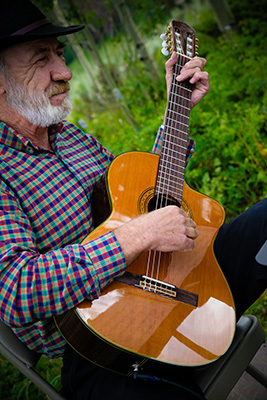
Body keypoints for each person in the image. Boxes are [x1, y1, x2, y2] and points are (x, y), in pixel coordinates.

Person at [0, 1, 266, 399]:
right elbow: (18, 287)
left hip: (180, 279)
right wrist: (133, 238)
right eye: (42, 59)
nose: (65, 71)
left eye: (59, 53)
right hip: (103, 349)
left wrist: (176, 108)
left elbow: (139, 197)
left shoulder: (70, 136)